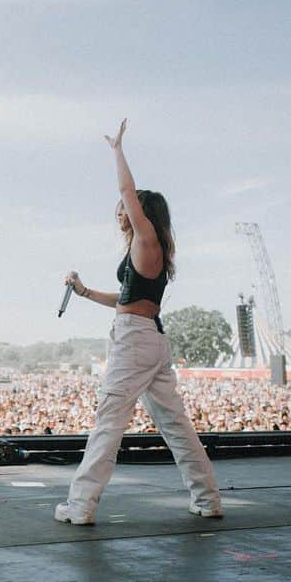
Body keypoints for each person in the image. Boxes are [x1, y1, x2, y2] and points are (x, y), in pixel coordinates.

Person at [55, 119, 222, 525]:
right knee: (176, 425)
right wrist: (85, 291)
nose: (119, 213)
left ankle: (81, 505)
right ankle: (208, 499)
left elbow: (126, 191)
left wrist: (117, 151)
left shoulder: (145, 240)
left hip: (134, 341)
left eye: (125, 210)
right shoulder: (152, 250)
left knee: (109, 420)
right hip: (149, 338)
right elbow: (129, 300)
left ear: (142, 213)